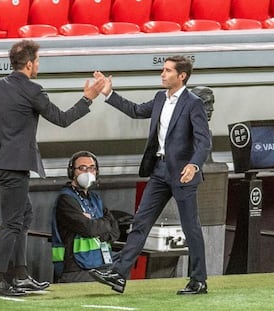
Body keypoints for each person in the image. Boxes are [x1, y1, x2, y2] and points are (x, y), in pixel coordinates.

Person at [0, 40, 105, 297]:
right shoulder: (33, 90)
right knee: (13, 222)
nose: (38, 66)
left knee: (24, 215)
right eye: (38, 62)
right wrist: (88, 98)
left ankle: (20, 275)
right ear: (30, 63)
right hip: (14, 166)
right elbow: (62, 119)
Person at [89, 56, 211, 295]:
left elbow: (204, 142)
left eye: (167, 71)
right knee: (141, 222)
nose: (162, 74)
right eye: (163, 70)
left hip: (183, 174)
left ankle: (199, 280)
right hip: (159, 170)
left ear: (182, 75)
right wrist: (109, 93)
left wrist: (194, 165)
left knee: (191, 228)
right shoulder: (159, 98)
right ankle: (119, 274)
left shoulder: (193, 103)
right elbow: (135, 111)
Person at [51, 151, 120, 283]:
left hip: (102, 264)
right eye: (82, 168)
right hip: (75, 268)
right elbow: (89, 229)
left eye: (92, 168)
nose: (87, 172)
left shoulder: (95, 198)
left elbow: (115, 230)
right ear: (72, 172)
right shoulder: (66, 199)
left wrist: (97, 225)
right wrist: (103, 225)